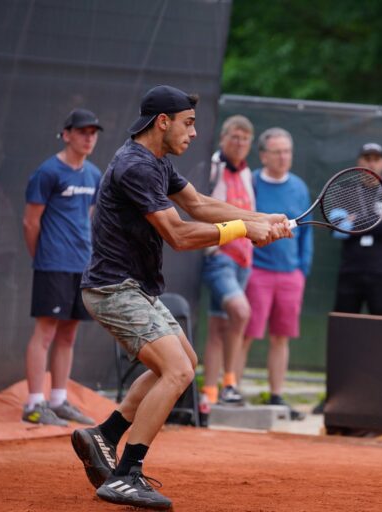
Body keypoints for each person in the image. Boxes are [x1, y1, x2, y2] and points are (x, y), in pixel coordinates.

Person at [71, 85, 291, 510]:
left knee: (184, 363)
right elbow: (178, 234)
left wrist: (261, 217)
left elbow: (200, 204)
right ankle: (126, 476)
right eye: (188, 123)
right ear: (163, 122)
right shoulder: (135, 166)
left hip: (133, 288)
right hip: (114, 289)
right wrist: (245, 230)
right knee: (176, 371)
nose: (194, 132)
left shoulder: (156, 162)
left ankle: (106, 435)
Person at [22, 108, 103, 426]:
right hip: (52, 264)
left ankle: (57, 400)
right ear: (66, 134)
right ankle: (33, 404)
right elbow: (31, 222)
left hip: (82, 265)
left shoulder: (94, 175)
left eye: (93, 133)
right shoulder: (47, 172)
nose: (89, 138)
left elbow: (89, 218)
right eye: (83, 131)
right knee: (45, 332)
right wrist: (41, 257)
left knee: (69, 334)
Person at [236, 127, 313, 421]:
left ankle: (277, 396)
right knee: (246, 334)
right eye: (277, 151)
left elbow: (306, 234)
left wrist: (301, 271)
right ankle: (234, 391)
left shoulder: (299, 187)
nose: (283, 157)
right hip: (257, 272)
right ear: (263, 155)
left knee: (281, 337)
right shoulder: (251, 183)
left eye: (287, 151)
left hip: (290, 275)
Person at [200, 115, 256, 407]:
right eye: (234, 137)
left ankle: (209, 394)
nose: (239, 143)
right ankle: (230, 383)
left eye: (245, 138)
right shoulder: (212, 167)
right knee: (241, 312)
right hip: (218, 257)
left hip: (243, 259)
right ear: (223, 138)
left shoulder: (248, 173)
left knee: (218, 326)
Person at [333, 142, 382, 316]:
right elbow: (337, 229)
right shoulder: (344, 191)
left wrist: (353, 221)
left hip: (381, 271)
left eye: (376, 159)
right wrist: (376, 223)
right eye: (367, 158)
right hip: (350, 270)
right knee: (345, 327)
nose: (372, 163)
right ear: (359, 162)